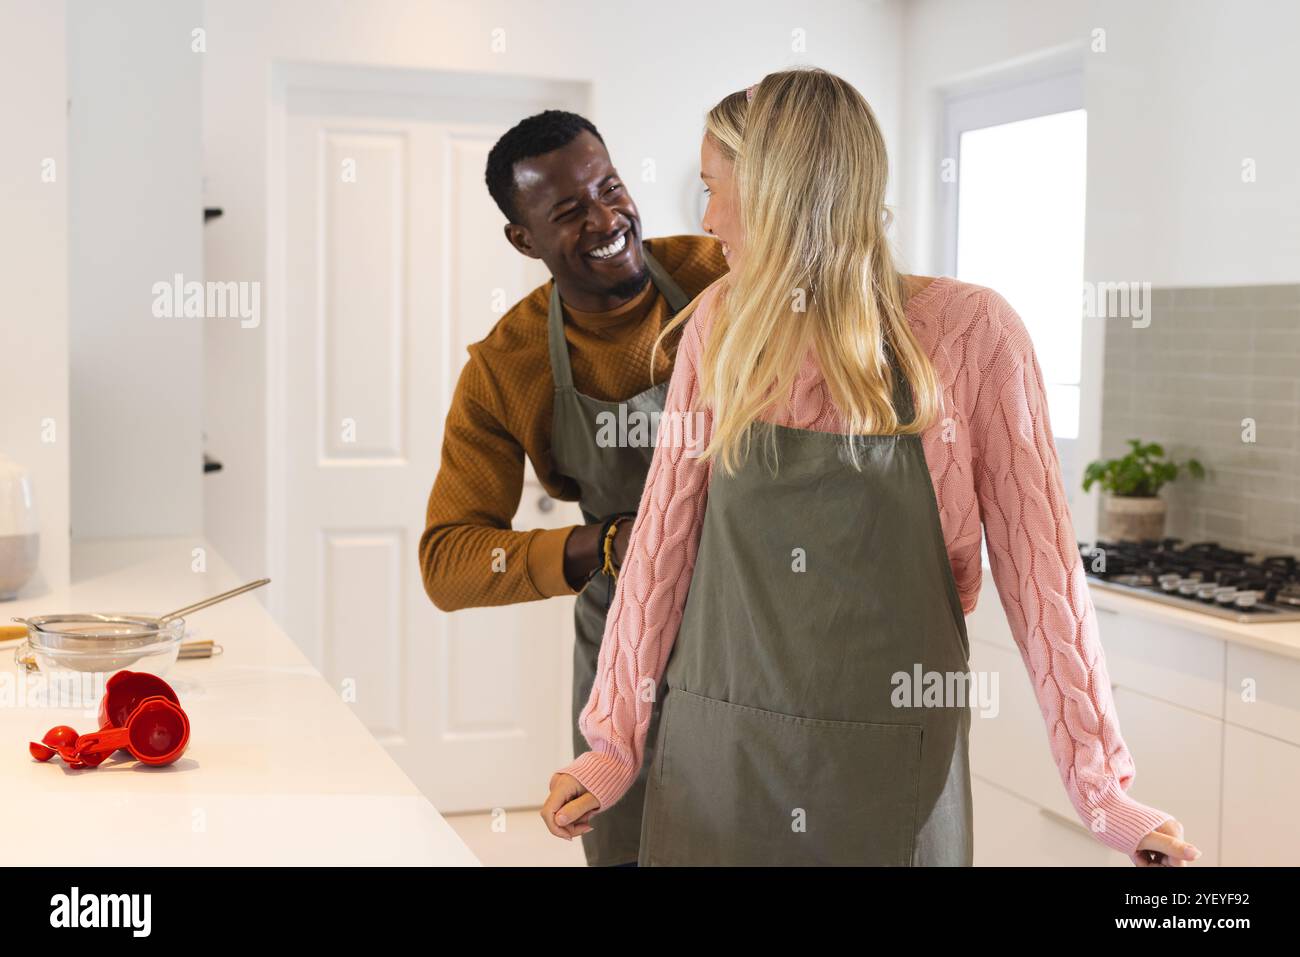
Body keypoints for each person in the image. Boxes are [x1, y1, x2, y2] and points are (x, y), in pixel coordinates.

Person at [541, 69, 1200, 867]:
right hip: (720, 758)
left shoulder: (972, 335)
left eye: (717, 187)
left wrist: (1104, 792)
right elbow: (661, 548)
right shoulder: (723, 324)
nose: (707, 217)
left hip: (893, 772)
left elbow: (1045, 579)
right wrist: (612, 743)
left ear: (781, 188)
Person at [418, 110, 728, 867]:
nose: (606, 219)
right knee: (633, 843)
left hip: (753, 614)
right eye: (568, 212)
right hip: (626, 644)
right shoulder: (508, 366)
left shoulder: (720, 275)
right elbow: (451, 563)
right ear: (524, 241)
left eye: (610, 188)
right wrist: (610, 545)